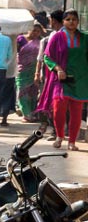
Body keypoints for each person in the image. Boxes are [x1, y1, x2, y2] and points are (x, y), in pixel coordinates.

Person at [37, 10, 88, 151]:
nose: (71, 22)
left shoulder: (84, 38)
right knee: (59, 110)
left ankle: (72, 142)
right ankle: (59, 136)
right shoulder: (57, 37)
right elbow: (47, 57)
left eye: (74, 19)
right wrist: (58, 69)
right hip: (61, 79)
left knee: (76, 112)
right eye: (68, 19)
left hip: (80, 79)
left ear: (78, 21)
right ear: (64, 21)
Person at [36, 10, 64, 139]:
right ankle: (55, 130)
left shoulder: (63, 35)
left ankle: (57, 131)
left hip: (61, 73)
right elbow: (44, 57)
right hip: (52, 73)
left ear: (53, 20)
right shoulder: (51, 36)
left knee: (58, 102)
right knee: (52, 102)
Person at [16, 23, 44, 122]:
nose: (35, 33)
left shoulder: (40, 42)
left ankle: (33, 114)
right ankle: (26, 114)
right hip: (22, 70)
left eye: (38, 31)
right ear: (29, 29)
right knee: (22, 92)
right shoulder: (20, 39)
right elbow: (15, 52)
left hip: (34, 70)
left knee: (33, 92)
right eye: (34, 30)